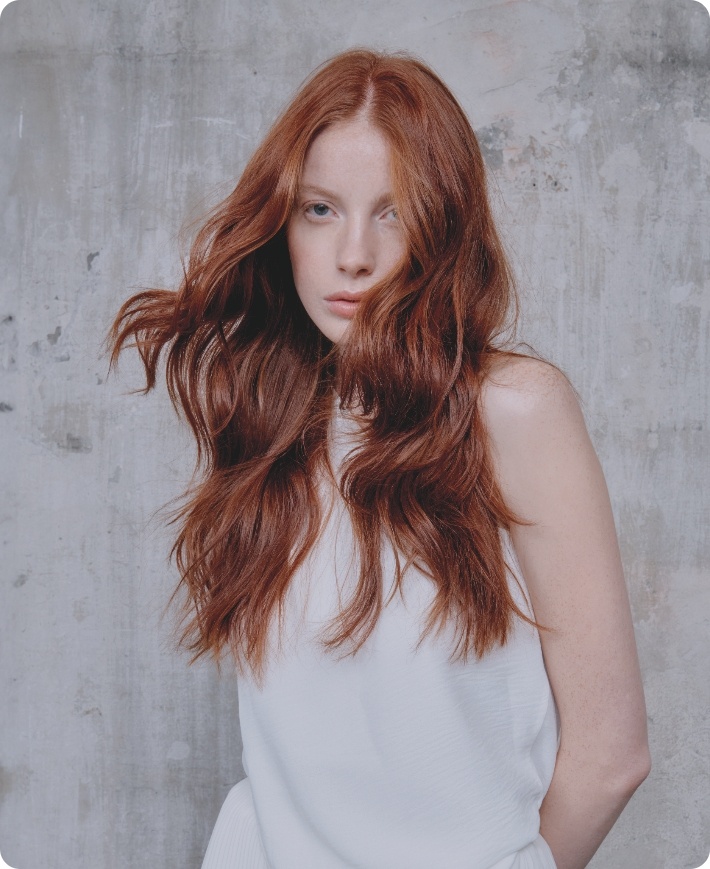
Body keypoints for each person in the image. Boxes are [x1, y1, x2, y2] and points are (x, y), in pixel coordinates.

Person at [108, 49, 650, 869]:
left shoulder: (515, 410)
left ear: (443, 229)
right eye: (320, 209)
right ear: (282, 223)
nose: (352, 254)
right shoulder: (271, 419)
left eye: (392, 213)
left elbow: (612, 756)